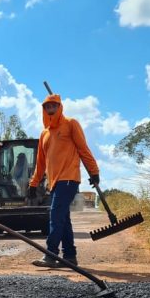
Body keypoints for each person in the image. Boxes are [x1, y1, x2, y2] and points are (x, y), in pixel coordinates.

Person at [27, 92, 99, 268]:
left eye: (53, 105)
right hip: (54, 182)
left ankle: (51, 255)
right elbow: (40, 163)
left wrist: (94, 171)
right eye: (47, 106)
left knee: (55, 216)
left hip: (69, 178)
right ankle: (70, 256)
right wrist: (33, 183)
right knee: (63, 219)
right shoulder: (44, 133)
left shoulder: (70, 124)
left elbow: (83, 149)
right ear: (44, 110)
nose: (50, 108)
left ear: (60, 107)